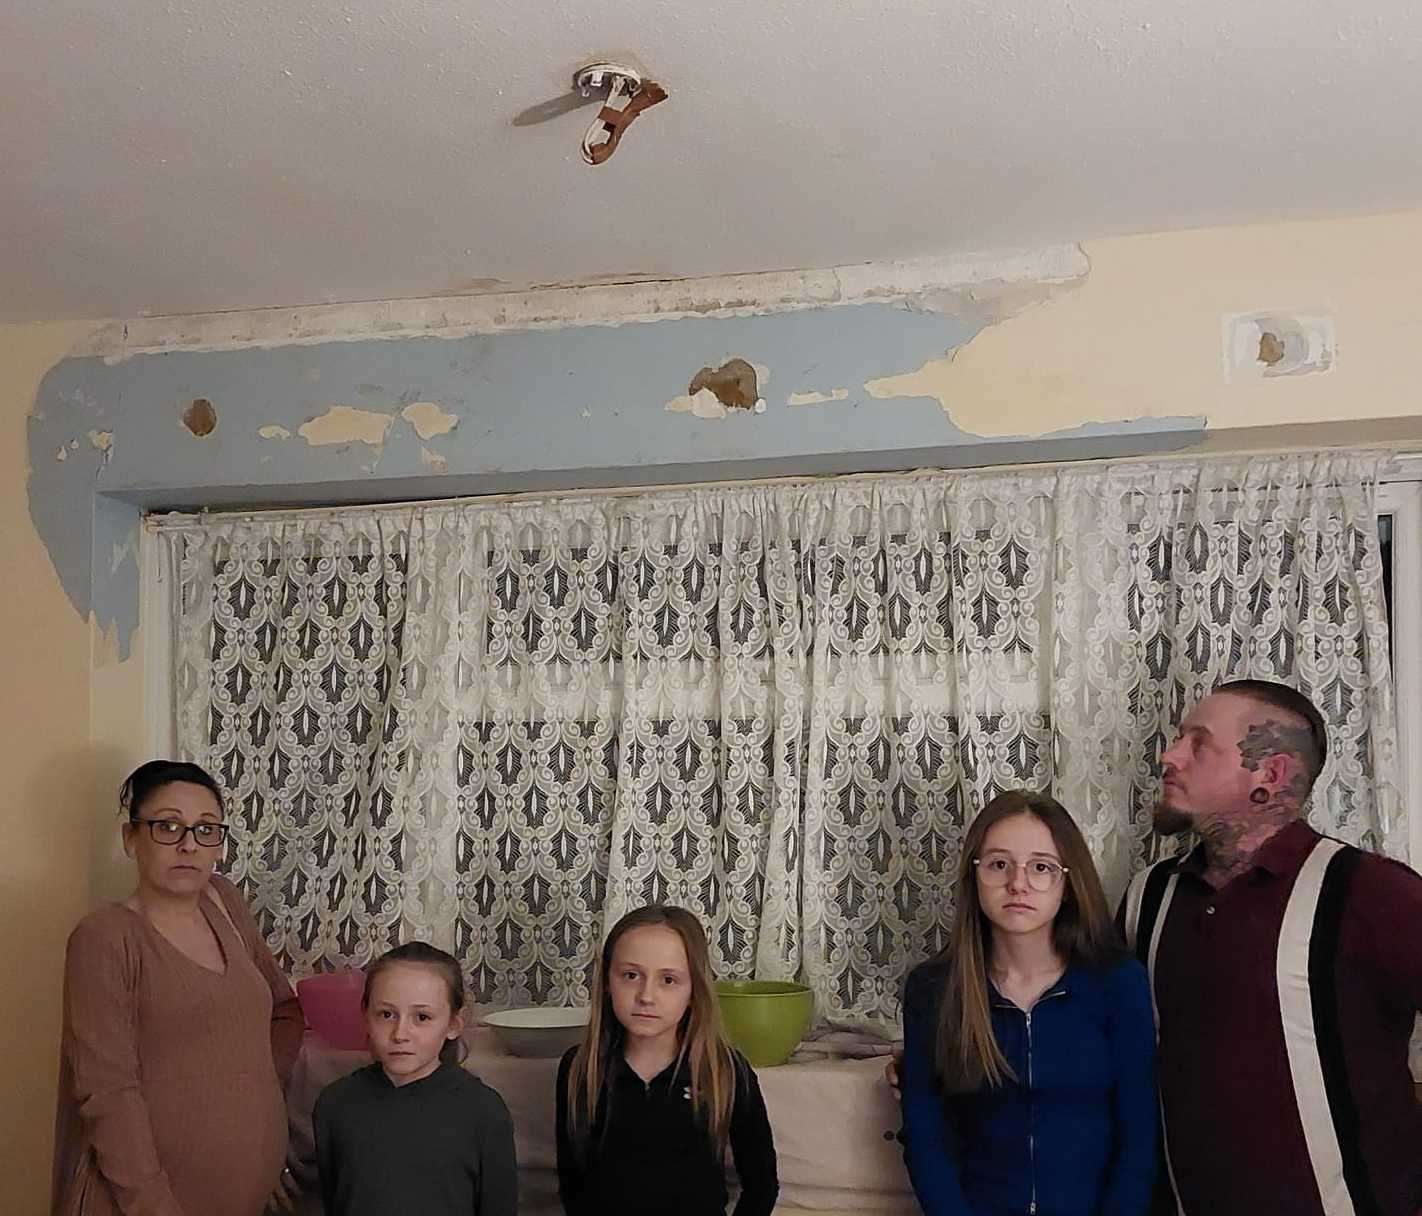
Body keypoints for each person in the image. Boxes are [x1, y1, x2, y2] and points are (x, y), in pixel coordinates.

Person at [1119, 678, 1422, 1216]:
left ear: (1270, 774)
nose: (1169, 756)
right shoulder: (1150, 895)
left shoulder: (1371, 893)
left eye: (1199, 743)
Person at [52, 760, 305, 1216]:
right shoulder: (105, 937)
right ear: (131, 839)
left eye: (206, 829)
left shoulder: (224, 901)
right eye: (167, 826)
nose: (189, 844)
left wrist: (258, 1110)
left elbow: (284, 1012)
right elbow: (107, 1094)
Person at [899, 790, 1157, 1216]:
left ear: (1067, 883)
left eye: (1041, 867)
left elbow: (1139, 1138)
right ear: (973, 876)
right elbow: (927, 1139)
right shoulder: (933, 989)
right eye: (999, 865)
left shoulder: (1117, 983)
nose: (1018, 883)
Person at [555, 905, 778, 1216]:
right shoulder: (580, 1069)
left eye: (668, 980)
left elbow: (762, 1185)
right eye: (631, 975)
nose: (646, 995)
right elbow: (571, 1183)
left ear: (693, 990)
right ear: (607, 981)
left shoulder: (726, 1070)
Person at [312, 941, 517, 1216]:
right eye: (386, 1014)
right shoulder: (335, 1104)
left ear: (454, 1024)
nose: (400, 1033)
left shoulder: (484, 1111)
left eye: (422, 1017)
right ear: (365, 1017)